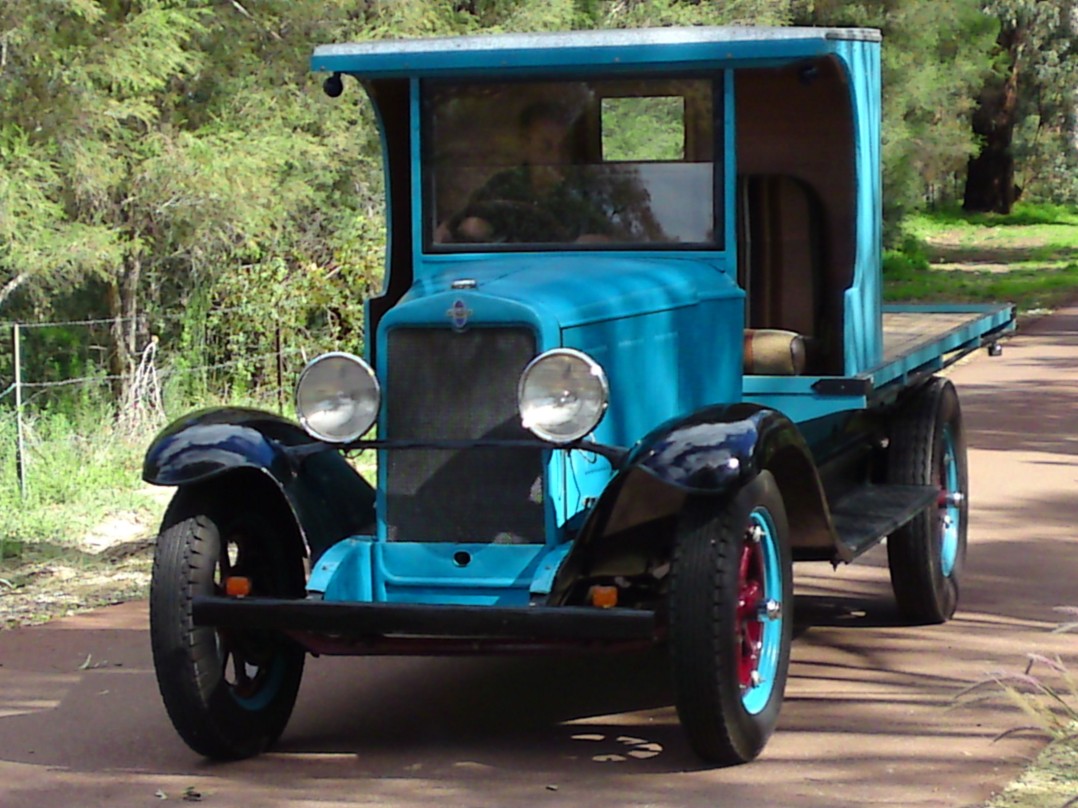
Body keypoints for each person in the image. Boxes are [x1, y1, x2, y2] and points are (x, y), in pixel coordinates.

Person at [436, 101, 619, 245]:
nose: (555, 157)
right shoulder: (503, 185)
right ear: (526, 145)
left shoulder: (585, 189)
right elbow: (471, 222)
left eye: (563, 148)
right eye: (546, 147)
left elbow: (610, 236)